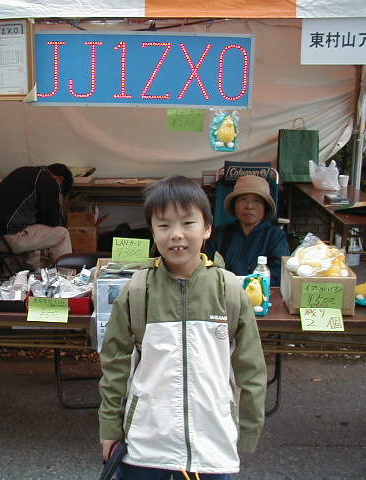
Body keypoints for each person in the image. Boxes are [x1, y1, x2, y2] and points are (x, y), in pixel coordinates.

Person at [99, 175, 267, 479]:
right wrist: (110, 427)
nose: (176, 235)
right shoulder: (137, 291)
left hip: (212, 446)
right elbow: (115, 365)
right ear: (152, 231)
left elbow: (250, 367)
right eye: (164, 225)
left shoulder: (229, 290)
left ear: (207, 228)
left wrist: (249, 428)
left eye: (188, 223)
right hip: (145, 446)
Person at [0, 163, 73, 270]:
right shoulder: (47, 180)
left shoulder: (23, 171)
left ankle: (33, 272)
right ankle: (66, 275)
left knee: (36, 232)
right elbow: (53, 221)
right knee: (62, 233)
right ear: (60, 179)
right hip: (8, 240)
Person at [205, 175, 289, 286]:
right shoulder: (220, 234)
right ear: (235, 204)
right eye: (243, 199)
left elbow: (279, 274)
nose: (249, 206)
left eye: (257, 201)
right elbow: (207, 267)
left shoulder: (276, 236)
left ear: (265, 207)